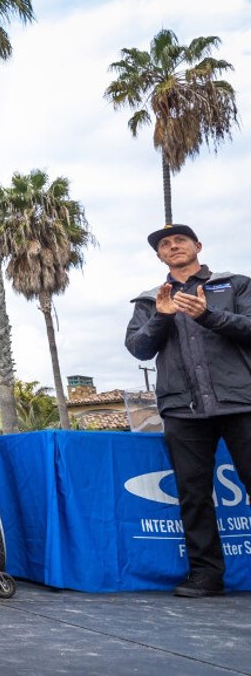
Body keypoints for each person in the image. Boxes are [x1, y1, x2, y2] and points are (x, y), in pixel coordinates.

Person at [126, 223, 251, 598]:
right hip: (182, 410)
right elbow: (138, 348)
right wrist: (162, 315)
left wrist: (208, 315)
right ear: (160, 256)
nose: (173, 246)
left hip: (241, 402)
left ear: (197, 245)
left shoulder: (235, 285)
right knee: (193, 496)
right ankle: (206, 575)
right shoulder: (150, 300)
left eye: (180, 240)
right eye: (165, 244)